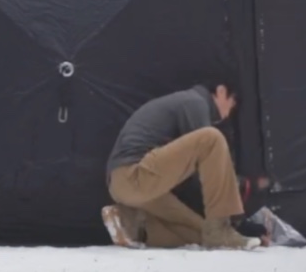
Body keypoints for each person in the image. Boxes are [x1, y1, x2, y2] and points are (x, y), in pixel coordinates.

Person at [101, 82, 261, 250]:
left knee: (203, 233)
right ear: (221, 91)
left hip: (127, 186)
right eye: (232, 104)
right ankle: (221, 229)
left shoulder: (185, 103)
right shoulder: (195, 102)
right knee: (212, 139)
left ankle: (129, 225)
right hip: (133, 175)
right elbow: (205, 170)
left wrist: (243, 232)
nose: (228, 115)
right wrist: (232, 210)